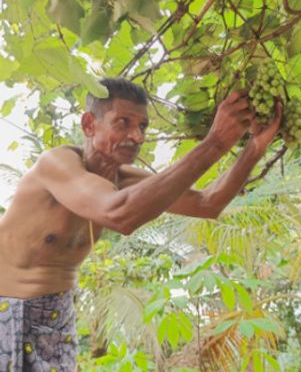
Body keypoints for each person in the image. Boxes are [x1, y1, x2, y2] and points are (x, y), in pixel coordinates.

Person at [0, 77, 282, 371]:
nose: (136, 136)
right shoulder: (56, 164)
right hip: (7, 310)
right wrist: (215, 143)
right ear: (89, 125)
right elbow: (119, 215)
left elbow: (208, 203)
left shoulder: (124, 180)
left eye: (143, 126)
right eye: (123, 122)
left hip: (55, 316)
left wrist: (256, 147)